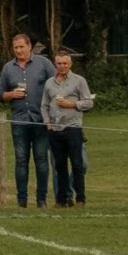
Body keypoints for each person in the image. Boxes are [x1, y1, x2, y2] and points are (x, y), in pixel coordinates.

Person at [0, 33, 52, 207]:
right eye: (16, 48)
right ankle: (22, 200)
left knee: (41, 159)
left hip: (41, 120)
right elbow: (0, 94)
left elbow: (56, 85)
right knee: (21, 160)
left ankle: (41, 199)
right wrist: (11, 94)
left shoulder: (44, 64)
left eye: (22, 47)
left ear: (29, 46)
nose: (19, 50)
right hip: (19, 121)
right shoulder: (8, 68)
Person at [44, 51, 95, 205]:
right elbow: (44, 105)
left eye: (65, 63)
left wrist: (72, 104)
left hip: (73, 128)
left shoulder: (79, 81)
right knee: (60, 166)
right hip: (55, 129)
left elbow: (88, 102)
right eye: (59, 63)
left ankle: (80, 198)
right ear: (55, 64)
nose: (62, 66)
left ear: (70, 64)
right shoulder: (49, 83)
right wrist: (47, 122)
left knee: (77, 164)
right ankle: (62, 199)